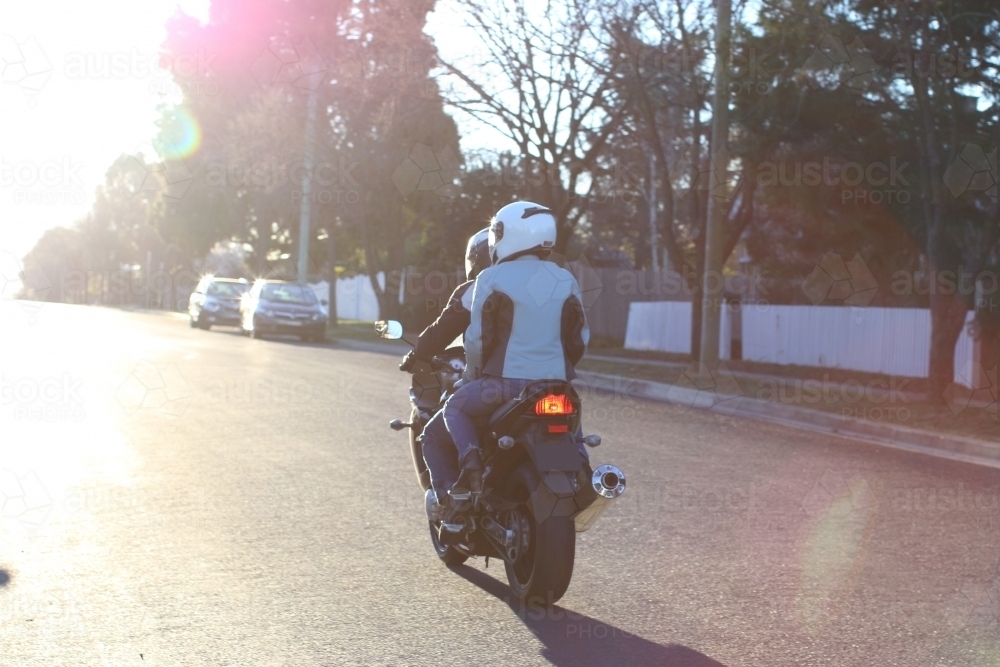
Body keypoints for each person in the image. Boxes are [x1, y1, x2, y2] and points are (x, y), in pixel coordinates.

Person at [437, 201, 590, 500]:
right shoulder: (564, 277)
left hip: (504, 385)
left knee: (454, 408)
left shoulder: (491, 278)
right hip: (553, 383)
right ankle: (583, 473)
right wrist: (560, 371)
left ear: (506, 234)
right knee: (568, 415)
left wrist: (472, 376)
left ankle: (471, 471)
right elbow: (579, 338)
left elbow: (479, 339)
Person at [401, 229, 489, 513]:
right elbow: (576, 340)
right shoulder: (548, 284)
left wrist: (416, 355)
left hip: (498, 383)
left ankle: (455, 501)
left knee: (438, 430)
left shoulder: (476, 289)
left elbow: (440, 333)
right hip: (551, 382)